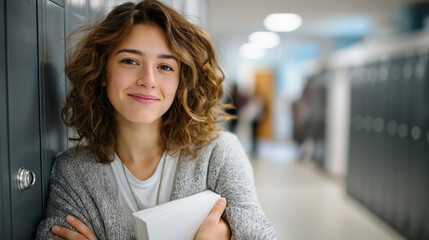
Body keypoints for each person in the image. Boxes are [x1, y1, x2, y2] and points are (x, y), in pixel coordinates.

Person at [36, 0, 277, 239]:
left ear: (181, 82)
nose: (148, 80)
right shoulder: (72, 171)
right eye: (130, 61)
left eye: (165, 66)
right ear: (102, 71)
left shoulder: (219, 153)